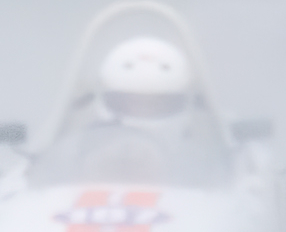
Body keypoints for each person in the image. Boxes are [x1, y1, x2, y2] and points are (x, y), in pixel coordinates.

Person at [43, 37, 229, 186]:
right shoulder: (73, 148)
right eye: (129, 103)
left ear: (186, 102)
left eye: (158, 105)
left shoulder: (205, 153)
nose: (143, 113)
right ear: (103, 98)